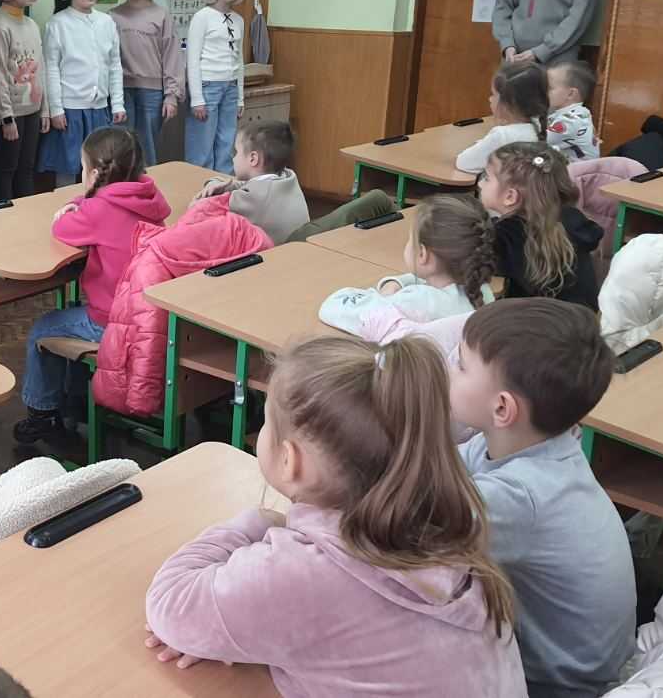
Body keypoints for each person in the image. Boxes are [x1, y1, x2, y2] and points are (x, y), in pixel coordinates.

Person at [144, 335, 526, 696]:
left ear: (290, 460)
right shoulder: (442, 523)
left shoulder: (306, 572)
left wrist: (261, 521)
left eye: (267, 423)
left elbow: (170, 604)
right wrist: (235, 628)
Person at [450, 298, 636, 696]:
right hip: (583, 663)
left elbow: (410, 529)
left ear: (502, 408)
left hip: (559, 688)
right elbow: (442, 471)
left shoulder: (521, 496)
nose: (449, 371)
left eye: (460, 365)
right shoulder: (535, 443)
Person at [14, 127, 169, 445]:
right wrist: (84, 200)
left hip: (111, 320)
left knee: (43, 330)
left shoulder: (98, 211)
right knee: (71, 313)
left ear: (95, 174)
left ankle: (42, 413)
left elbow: (62, 228)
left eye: (82, 168)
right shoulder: (148, 198)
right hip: (148, 314)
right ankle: (77, 400)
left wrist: (73, 207)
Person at [320, 195, 496, 336]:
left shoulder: (414, 302)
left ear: (422, 254)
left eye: (410, 239)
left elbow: (332, 308)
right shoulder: (481, 291)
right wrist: (397, 283)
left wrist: (378, 296)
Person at [479, 142, 602, 309]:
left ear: (510, 196)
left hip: (535, 322)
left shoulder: (506, 235)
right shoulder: (572, 218)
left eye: (486, 178)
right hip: (583, 320)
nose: (480, 184)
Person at [40, 0, 124, 188]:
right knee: (68, 167)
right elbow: (51, 68)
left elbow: (115, 65)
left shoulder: (106, 22)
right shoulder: (57, 24)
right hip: (70, 111)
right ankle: (67, 206)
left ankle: (97, 205)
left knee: (101, 167)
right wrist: (56, 109)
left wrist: (117, 104)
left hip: (99, 109)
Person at [109, 0, 182, 164]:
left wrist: (171, 95)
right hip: (120, 91)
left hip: (152, 93)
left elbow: (172, 57)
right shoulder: (112, 16)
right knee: (121, 147)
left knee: (147, 146)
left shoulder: (162, 15)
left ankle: (145, 182)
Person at [190, 120, 309, 244]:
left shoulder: (254, 198)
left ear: (253, 159)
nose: (233, 158)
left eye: (236, 152)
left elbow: (201, 213)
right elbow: (249, 186)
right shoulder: (287, 177)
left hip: (271, 254)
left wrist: (198, 202)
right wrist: (217, 183)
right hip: (298, 249)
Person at [0, 0, 46, 200]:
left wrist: (45, 110)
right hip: (12, 116)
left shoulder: (31, 24)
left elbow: (41, 69)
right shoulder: (0, 25)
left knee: (26, 169)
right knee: (6, 170)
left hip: (33, 111)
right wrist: (6, 117)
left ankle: (26, 218)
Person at [185, 0, 247, 174]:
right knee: (201, 146)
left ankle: (221, 186)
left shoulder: (238, 20)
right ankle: (197, 186)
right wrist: (197, 98)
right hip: (207, 87)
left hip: (230, 88)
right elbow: (192, 59)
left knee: (226, 144)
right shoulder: (202, 17)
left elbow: (239, 60)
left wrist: (240, 97)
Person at [457, 61, 550, 174]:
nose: (490, 99)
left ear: (510, 102)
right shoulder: (537, 125)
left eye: (494, 94)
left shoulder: (502, 135)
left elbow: (464, 163)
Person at [545, 59, 600, 160]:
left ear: (570, 94)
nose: (543, 91)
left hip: (578, 170)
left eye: (549, 88)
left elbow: (535, 141)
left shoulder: (570, 121)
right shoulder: (579, 113)